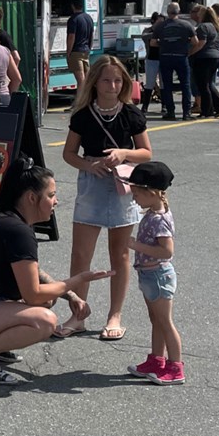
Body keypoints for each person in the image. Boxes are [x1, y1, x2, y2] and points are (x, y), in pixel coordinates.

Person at [0, 161, 113, 385]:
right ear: (31, 198)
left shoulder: (12, 221)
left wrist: (71, 295)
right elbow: (33, 295)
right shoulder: (17, 230)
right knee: (44, 321)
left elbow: (33, 271)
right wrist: (78, 280)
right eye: (51, 195)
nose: (56, 201)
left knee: (47, 300)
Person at [58, 55, 153, 342]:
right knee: (81, 254)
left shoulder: (131, 114)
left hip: (123, 184)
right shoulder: (83, 114)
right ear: (94, 82)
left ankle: (115, 315)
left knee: (120, 253)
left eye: (118, 80)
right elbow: (69, 153)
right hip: (92, 184)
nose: (113, 85)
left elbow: (146, 152)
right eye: (106, 80)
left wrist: (124, 153)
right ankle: (78, 314)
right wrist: (89, 165)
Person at [124, 161, 184, 385]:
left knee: (165, 321)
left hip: (158, 275)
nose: (134, 198)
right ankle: (157, 361)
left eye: (137, 193)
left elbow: (166, 251)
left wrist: (135, 246)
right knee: (156, 320)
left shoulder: (158, 219)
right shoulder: (154, 212)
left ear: (151, 192)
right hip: (149, 276)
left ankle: (176, 367)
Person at [150, 3, 195, 121]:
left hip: (165, 56)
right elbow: (195, 41)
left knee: (167, 85)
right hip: (181, 56)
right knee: (185, 84)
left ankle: (170, 112)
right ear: (179, 11)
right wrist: (186, 44)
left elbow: (152, 43)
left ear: (168, 12)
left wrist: (163, 43)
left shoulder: (160, 26)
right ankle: (186, 112)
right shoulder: (186, 25)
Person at [188, 6, 219, 118]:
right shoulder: (217, 27)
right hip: (217, 56)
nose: (197, 15)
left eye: (199, 13)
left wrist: (190, 53)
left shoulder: (203, 27)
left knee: (203, 85)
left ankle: (208, 110)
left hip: (204, 57)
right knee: (209, 83)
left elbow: (201, 43)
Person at [66, 0, 94, 90]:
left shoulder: (73, 19)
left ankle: (80, 101)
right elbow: (91, 35)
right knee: (86, 80)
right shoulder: (89, 18)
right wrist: (89, 48)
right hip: (86, 51)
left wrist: (68, 52)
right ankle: (87, 99)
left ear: (73, 6)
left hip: (76, 51)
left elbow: (71, 37)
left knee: (80, 80)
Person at [139, 12, 163, 115]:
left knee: (164, 84)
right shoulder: (148, 31)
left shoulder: (165, 31)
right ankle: (145, 106)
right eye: (159, 21)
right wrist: (156, 35)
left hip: (163, 59)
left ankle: (165, 105)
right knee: (149, 83)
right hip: (151, 59)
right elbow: (145, 37)